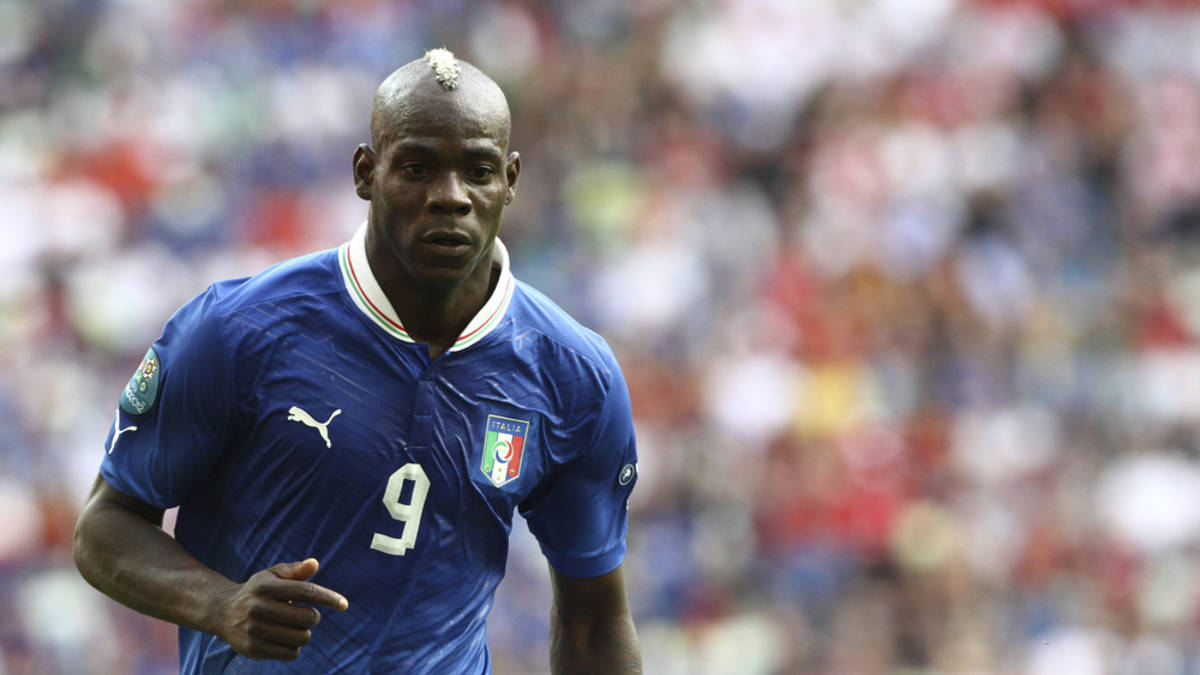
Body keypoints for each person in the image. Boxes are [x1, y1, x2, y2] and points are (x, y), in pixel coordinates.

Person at [73, 48, 642, 674]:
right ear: (366, 172)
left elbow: (594, 623)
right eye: (418, 168)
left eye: (478, 171)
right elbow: (105, 527)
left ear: (510, 179)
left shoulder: (574, 376)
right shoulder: (237, 330)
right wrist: (220, 604)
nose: (450, 197)